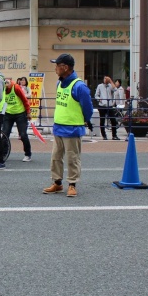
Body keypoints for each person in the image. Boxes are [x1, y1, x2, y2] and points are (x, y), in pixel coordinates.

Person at [42, 53, 93, 198]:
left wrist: (85, 120)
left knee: (72, 158)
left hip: (73, 128)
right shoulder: (59, 83)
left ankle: (72, 184)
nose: (55, 69)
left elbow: (88, 108)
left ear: (65, 67)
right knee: (55, 157)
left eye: (57, 65)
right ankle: (57, 183)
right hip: (58, 126)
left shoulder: (79, 86)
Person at [3, 78, 32, 162]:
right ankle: (4, 153)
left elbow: (24, 100)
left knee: (23, 135)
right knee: (4, 134)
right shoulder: (2, 89)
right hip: (8, 114)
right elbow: (4, 102)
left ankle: (28, 154)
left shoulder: (16, 88)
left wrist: (28, 112)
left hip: (20, 114)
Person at [95, 75, 119, 140]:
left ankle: (114, 135)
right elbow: (96, 95)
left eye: (107, 79)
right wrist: (99, 99)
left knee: (113, 120)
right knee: (102, 121)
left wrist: (111, 81)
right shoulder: (100, 86)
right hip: (102, 106)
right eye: (105, 79)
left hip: (109, 105)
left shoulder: (110, 86)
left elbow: (115, 89)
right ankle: (104, 135)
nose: (105, 80)